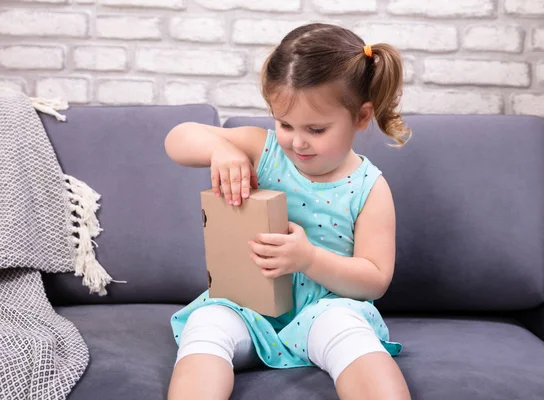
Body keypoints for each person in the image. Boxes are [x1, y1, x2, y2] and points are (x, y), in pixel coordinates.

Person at [164, 22, 412, 400]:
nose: (297, 142)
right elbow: (177, 139)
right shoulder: (265, 151)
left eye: (316, 129)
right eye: (284, 124)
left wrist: (308, 258)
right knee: (208, 323)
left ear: (361, 117)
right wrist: (221, 149)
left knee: (348, 332)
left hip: (324, 312)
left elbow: (374, 279)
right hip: (247, 307)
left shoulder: (368, 188)